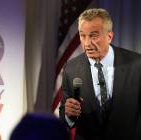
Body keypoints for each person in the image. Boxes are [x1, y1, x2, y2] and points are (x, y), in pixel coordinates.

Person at [59, 8, 141, 140]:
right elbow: (64, 116)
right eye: (82, 35)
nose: (86, 44)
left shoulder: (137, 65)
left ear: (109, 36)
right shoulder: (71, 68)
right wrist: (69, 115)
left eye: (93, 36)